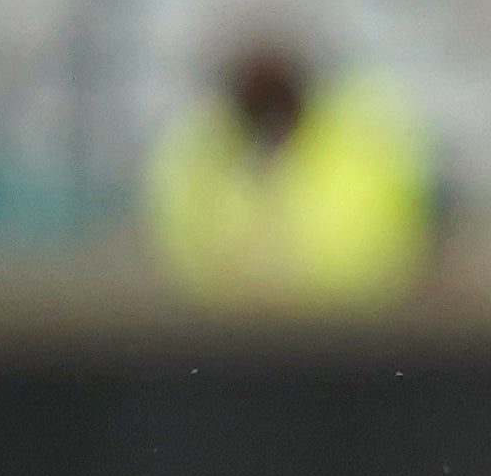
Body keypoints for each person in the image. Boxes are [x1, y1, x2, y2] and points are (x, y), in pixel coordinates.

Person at [142, 34, 433, 310]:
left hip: (353, 326)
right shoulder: (199, 152)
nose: (271, 122)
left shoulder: (366, 138)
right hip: (236, 332)